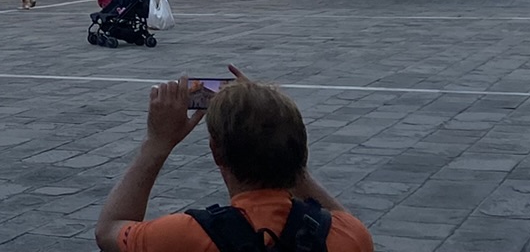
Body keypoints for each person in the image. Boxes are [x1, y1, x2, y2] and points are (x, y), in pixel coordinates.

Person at [94, 68, 373, 251]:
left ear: (217, 152)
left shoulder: (184, 236)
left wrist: (157, 143)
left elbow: (109, 230)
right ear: (302, 150)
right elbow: (344, 221)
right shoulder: (346, 236)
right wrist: (274, 124)